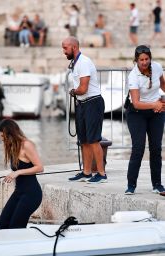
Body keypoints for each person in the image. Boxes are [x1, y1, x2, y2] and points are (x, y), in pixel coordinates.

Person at [62, 36, 107, 184]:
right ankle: (86, 172)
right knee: (84, 141)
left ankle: (101, 174)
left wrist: (73, 92)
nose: (63, 51)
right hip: (82, 104)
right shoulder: (75, 63)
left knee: (94, 140)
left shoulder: (84, 62)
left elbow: (83, 88)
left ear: (74, 47)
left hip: (92, 103)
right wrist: (75, 92)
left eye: (65, 48)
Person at [125, 45, 165, 195]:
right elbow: (136, 102)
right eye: (141, 59)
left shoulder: (157, 67)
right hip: (137, 113)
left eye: (146, 59)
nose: (144, 62)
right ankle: (131, 185)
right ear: (136, 60)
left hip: (156, 112)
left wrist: (160, 104)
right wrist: (155, 104)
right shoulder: (133, 76)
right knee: (138, 148)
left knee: (156, 148)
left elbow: (163, 84)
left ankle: (157, 184)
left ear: (150, 58)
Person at [0, 119, 43, 229]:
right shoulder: (13, 146)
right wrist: (12, 174)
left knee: (15, 228)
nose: (3, 141)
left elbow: (40, 167)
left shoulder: (26, 144)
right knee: (1, 226)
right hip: (19, 192)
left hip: (31, 194)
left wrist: (18, 172)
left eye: (4, 138)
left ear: (10, 134)